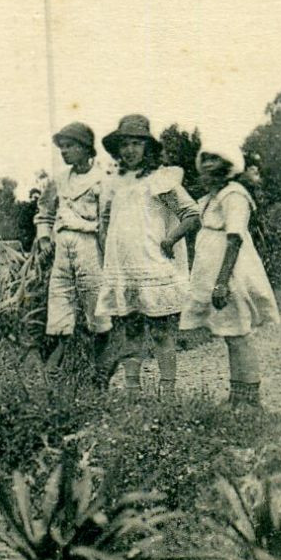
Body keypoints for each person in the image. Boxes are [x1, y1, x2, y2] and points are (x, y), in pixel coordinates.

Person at [94, 114, 200, 393]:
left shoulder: (159, 179)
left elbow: (191, 214)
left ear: (148, 148)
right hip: (125, 268)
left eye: (136, 144)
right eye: (125, 144)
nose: (130, 150)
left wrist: (170, 240)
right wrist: (109, 253)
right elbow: (105, 222)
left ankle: (167, 391)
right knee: (130, 330)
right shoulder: (114, 183)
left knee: (160, 330)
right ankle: (133, 389)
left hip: (152, 265)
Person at [179, 143, 279, 408]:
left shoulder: (234, 195)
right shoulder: (210, 198)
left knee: (238, 334)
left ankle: (250, 399)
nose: (209, 165)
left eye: (216, 159)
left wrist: (222, 282)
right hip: (213, 273)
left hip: (230, 273)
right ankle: (237, 396)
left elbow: (234, 239)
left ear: (228, 166)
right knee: (229, 333)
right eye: (206, 159)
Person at [33, 122, 112, 380]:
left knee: (98, 312)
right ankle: (53, 376)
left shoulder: (103, 181)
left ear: (86, 149)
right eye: (62, 147)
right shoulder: (59, 180)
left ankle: (100, 376)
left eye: (71, 146)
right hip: (62, 250)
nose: (65, 152)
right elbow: (44, 213)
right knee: (59, 310)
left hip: (90, 248)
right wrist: (45, 240)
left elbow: (108, 222)